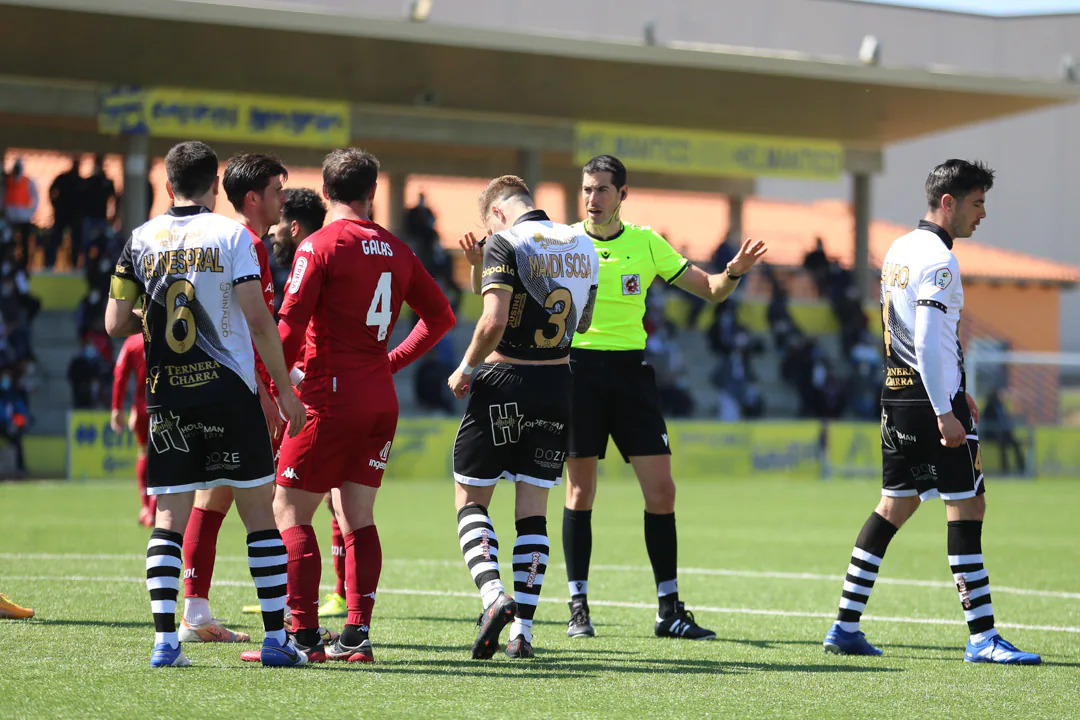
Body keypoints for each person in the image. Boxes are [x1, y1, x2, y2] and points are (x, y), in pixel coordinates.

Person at [822, 159, 1040, 665]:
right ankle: (983, 638)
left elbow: (904, 330)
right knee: (967, 505)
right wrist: (946, 409)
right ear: (949, 202)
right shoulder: (941, 259)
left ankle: (845, 625)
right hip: (929, 404)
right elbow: (926, 336)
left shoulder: (899, 248)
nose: (982, 214)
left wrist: (955, 393)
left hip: (896, 396)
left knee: (894, 504)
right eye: (977, 203)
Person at [105, 140, 308, 669]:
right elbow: (260, 320)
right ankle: (274, 640)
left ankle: (165, 642)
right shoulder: (231, 235)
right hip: (229, 392)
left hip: (168, 396)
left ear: (168, 184)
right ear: (215, 185)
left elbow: (113, 322)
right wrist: (285, 391)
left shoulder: (139, 239)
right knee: (259, 515)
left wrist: (148, 323)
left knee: (169, 516)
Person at [562, 155, 766, 640]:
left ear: (623, 194)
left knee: (662, 492)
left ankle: (668, 610)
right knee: (580, 492)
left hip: (631, 376)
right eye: (587, 189)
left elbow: (713, 291)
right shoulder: (564, 242)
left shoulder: (647, 243)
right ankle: (578, 607)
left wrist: (733, 272)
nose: (593, 199)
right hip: (578, 373)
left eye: (603, 190)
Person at [271, 148, 455, 664]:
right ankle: (357, 634)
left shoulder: (319, 245)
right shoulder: (397, 249)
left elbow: (288, 327)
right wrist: (390, 362)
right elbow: (439, 318)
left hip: (328, 397)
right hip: (379, 398)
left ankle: (304, 637)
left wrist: (270, 385)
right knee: (357, 517)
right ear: (372, 193)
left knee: (289, 509)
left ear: (325, 192)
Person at [449, 175, 599, 660]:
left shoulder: (504, 242)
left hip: (504, 381)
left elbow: (493, 321)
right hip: (558, 385)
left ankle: (494, 597)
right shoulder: (581, 241)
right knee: (533, 508)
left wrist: (466, 367)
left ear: (496, 213)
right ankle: (524, 634)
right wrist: (479, 272)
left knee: (471, 498)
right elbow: (584, 320)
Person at [178, 153, 288, 645]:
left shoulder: (219, 238)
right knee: (258, 504)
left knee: (212, 498)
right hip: (237, 391)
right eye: (277, 189)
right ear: (253, 198)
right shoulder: (242, 243)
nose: (283, 198)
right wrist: (271, 394)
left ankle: (195, 612)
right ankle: (283, 627)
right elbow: (253, 326)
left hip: (200, 386)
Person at [111, 331, 153, 526]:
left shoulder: (132, 342)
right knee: (167, 458)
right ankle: (153, 509)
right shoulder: (170, 334)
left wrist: (117, 408)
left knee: (144, 453)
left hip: (143, 407)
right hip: (170, 406)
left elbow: (120, 376)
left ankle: (146, 507)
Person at [49, 155, 82, 269]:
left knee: (75, 241)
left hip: (75, 215)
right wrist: (55, 204)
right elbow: (52, 190)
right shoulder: (63, 178)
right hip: (62, 213)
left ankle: (73, 264)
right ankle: (50, 263)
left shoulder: (80, 181)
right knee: (56, 239)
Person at [4, 159, 38, 263]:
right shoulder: (7, 181)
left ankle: (24, 262)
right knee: (8, 240)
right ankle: (8, 260)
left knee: (24, 241)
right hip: (10, 217)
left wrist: (30, 212)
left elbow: (35, 197)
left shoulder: (27, 181)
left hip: (24, 217)